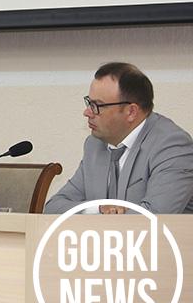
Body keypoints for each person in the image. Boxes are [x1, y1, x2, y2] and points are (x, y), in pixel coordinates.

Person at [44, 63, 193, 215]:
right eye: (89, 102)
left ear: (131, 112)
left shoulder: (173, 146)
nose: (87, 112)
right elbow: (53, 207)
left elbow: (154, 216)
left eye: (97, 105)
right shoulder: (95, 145)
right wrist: (98, 209)